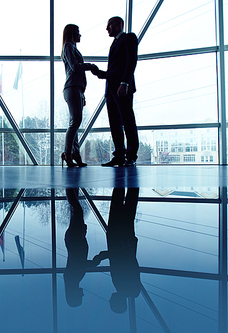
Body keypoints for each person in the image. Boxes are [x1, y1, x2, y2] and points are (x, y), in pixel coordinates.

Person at [92, 17, 139, 167]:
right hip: (111, 90)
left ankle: (131, 156)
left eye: (109, 25)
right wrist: (99, 73)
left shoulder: (128, 38)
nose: (107, 29)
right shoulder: (114, 44)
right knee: (114, 124)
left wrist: (124, 83)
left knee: (127, 121)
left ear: (119, 24)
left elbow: (131, 62)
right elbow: (115, 70)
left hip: (122, 88)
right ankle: (119, 155)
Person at [93, 188, 141, 313]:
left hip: (125, 239)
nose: (110, 298)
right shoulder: (121, 284)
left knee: (129, 207)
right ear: (117, 302)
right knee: (118, 205)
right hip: (119, 238)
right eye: (111, 301)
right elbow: (118, 258)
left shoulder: (131, 289)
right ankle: (122, 179)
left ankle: (131, 181)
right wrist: (100, 257)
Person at [61, 24, 98, 167]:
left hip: (76, 89)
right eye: (78, 32)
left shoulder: (72, 48)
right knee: (75, 122)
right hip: (73, 88)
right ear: (71, 33)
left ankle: (74, 153)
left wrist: (82, 93)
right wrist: (90, 66)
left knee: (75, 123)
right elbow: (75, 67)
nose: (80, 35)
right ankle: (68, 154)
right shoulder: (69, 47)